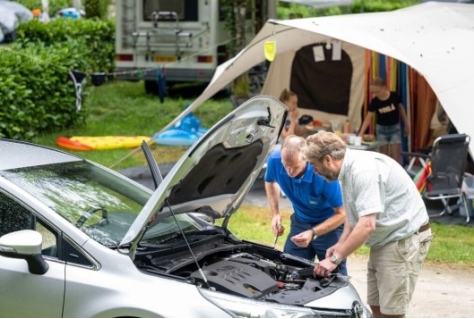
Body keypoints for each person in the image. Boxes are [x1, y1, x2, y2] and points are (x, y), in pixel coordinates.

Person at [302, 131, 432, 318]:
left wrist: (334, 259)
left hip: (401, 240)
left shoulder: (362, 170)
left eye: (314, 165)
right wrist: (340, 244)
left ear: (328, 159)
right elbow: (354, 214)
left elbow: (367, 225)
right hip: (385, 240)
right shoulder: (346, 171)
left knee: (391, 313)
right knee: (376, 307)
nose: (315, 171)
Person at [264, 135, 348, 275]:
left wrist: (313, 233)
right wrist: (275, 214)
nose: (290, 172)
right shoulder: (274, 160)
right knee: (290, 266)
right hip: (301, 220)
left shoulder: (322, 174)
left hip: (329, 223)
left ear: (306, 158)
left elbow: (342, 213)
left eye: (295, 167)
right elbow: (270, 181)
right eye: (286, 166)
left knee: (333, 271)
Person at [358, 77, 410, 164]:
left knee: (395, 156)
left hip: (395, 128)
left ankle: (395, 175)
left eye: (377, 92)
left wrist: (407, 124)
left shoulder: (394, 96)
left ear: (384, 87)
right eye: (373, 92)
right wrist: (361, 133)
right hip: (381, 130)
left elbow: (402, 110)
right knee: (384, 157)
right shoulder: (375, 101)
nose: (375, 94)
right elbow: (368, 118)